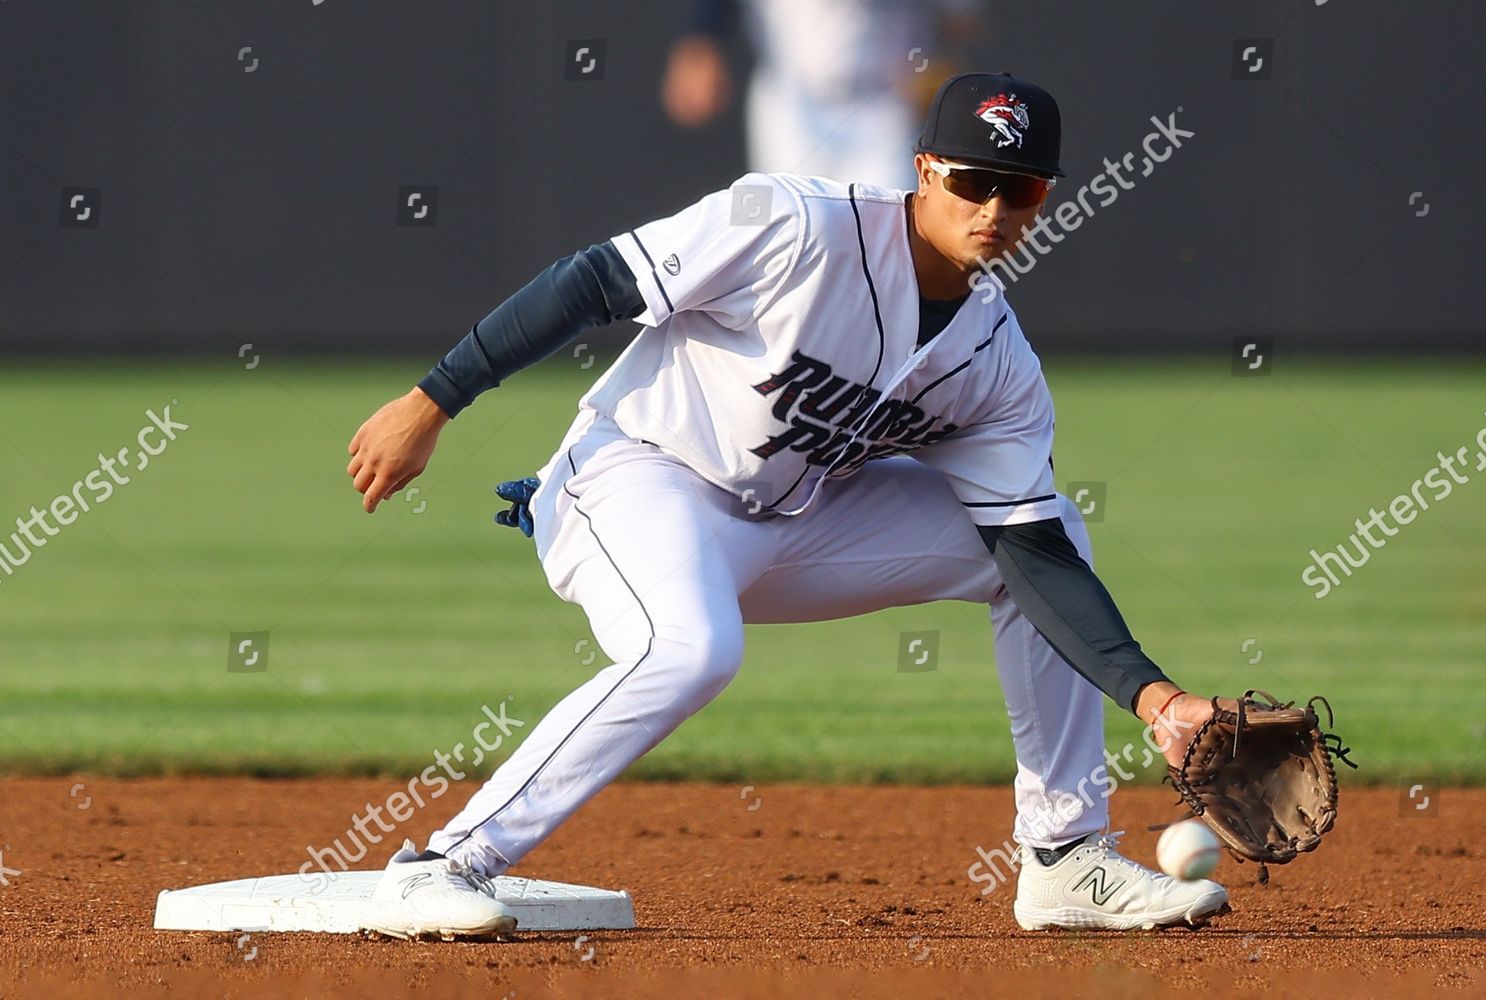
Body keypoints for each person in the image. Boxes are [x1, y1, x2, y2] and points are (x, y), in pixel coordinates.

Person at [346, 73, 1229, 940]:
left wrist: (1156, 700)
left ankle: (1064, 857)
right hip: (634, 476)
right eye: (972, 180)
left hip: (789, 523)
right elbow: (593, 282)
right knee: (690, 651)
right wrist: (431, 403)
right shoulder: (797, 224)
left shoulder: (996, 362)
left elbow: (1031, 552)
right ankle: (441, 864)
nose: (993, 208)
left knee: (1047, 529)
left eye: (1021, 188)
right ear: (925, 171)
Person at [661, 0, 981, 189]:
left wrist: (934, 60)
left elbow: (960, 21)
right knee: (783, 241)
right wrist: (700, 41)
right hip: (790, 102)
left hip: (884, 109)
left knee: (883, 240)